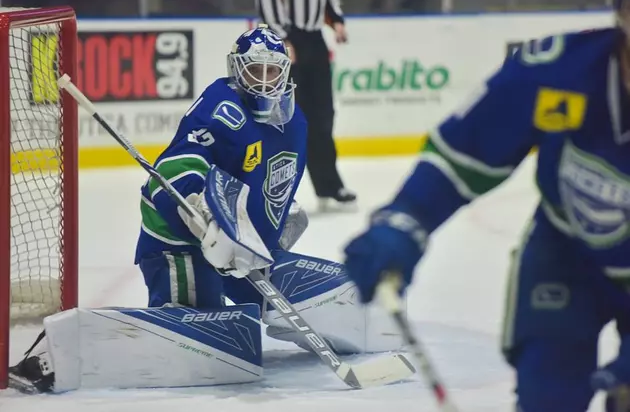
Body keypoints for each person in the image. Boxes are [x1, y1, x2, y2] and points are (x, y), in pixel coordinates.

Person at [8, 25, 400, 394]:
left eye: (272, 70)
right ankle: (60, 356)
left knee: (321, 294)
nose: (264, 80)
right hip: (183, 239)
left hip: (245, 247)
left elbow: (274, 181)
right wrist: (202, 212)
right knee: (212, 340)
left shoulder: (294, 120)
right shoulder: (221, 107)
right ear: (237, 70)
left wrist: (272, 225)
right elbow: (174, 169)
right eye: (255, 70)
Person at [343, 0, 630, 410]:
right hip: (566, 255)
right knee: (547, 395)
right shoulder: (559, 70)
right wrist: (406, 220)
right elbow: (464, 151)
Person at [257, 0, 357, 211]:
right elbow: (268, 0)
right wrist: (281, 39)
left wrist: (338, 22)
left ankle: (330, 186)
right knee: (289, 118)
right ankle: (270, 192)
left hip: (315, 40)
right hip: (287, 43)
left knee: (323, 115)